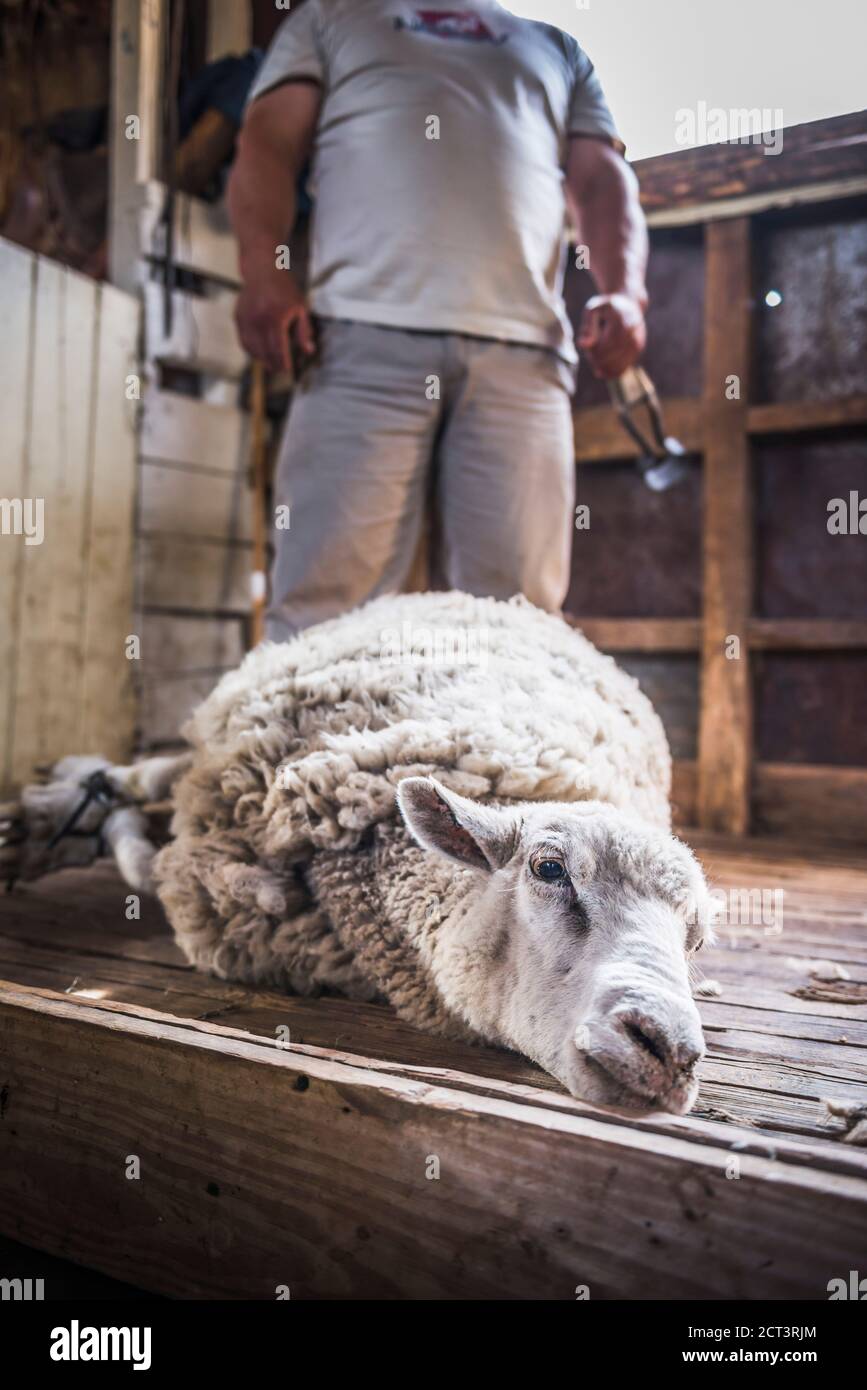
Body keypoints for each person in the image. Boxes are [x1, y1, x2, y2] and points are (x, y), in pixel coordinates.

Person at [228, 0, 648, 640]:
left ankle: (502, 743)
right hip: (357, 336)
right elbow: (268, 141)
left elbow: (601, 179)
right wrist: (263, 271)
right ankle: (312, 741)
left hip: (523, 352)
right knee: (323, 611)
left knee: (521, 619)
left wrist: (626, 294)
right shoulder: (330, 20)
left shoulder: (557, 50)